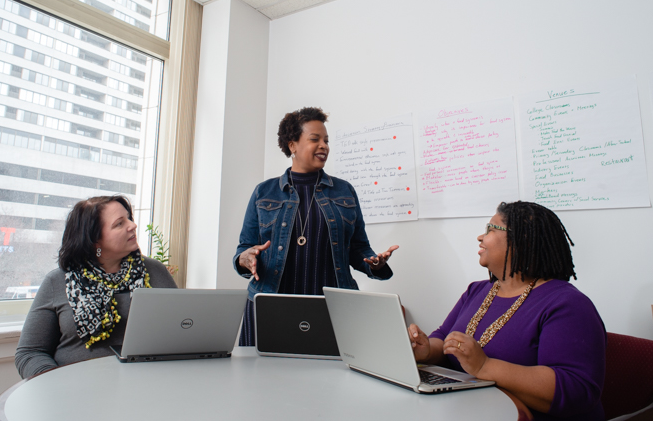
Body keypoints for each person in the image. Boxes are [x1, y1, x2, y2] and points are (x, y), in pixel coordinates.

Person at [408, 201, 606, 421]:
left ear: (522, 240)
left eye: (491, 229)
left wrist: (485, 366)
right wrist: (427, 351)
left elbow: (577, 389)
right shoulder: (477, 290)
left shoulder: (567, 303)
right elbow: (443, 337)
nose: (480, 237)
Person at [234, 107, 399, 345]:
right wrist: (245, 257)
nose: (324, 145)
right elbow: (244, 248)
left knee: (331, 380)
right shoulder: (264, 192)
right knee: (263, 379)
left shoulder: (344, 191)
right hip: (270, 305)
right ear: (292, 145)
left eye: (326, 140)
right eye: (315, 139)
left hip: (331, 310)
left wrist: (374, 261)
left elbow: (358, 247)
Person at [15, 195, 176, 379]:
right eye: (119, 223)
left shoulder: (155, 271)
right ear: (95, 241)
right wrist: (55, 382)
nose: (132, 225)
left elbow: (182, 332)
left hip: (146, 384)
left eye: (129, 218)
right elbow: (29, 353)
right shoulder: (57, 281)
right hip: (75, 391)